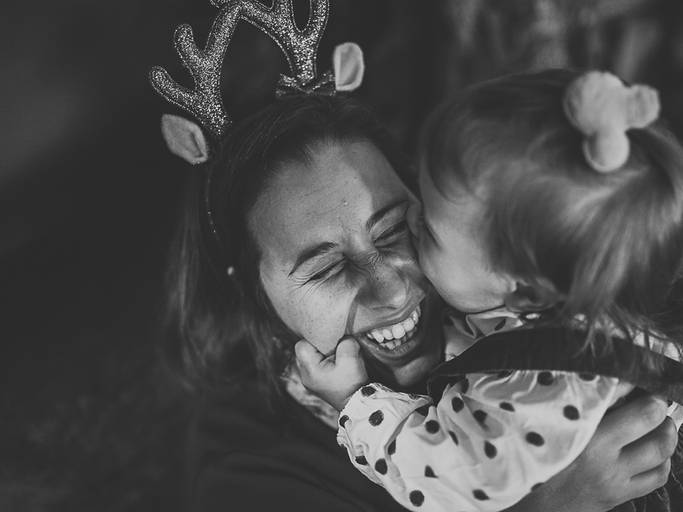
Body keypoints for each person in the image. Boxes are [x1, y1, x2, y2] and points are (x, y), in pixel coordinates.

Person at [150, 2, 678, 510]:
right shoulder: (249, 471)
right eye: (327, 268)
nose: (392, 289)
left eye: (396, 231)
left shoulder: (535, 300)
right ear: (250, 288)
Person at [294, 70, 683, 511]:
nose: (414, 223)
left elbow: (441, 476)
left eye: (427, 231)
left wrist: (355, 401)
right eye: (327, 268)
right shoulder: (571, 302)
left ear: (527, 295)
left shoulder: (539, 383)